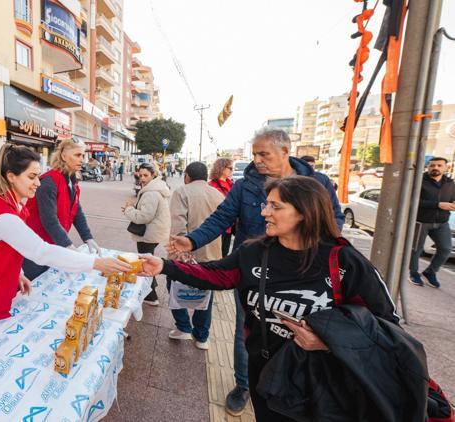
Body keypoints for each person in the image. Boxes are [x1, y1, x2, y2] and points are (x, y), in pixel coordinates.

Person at [145, 176, 398, 422]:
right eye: (266, 204)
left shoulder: (344, 262)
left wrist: (329, 342)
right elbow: (216, 274)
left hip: (326, 381)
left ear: (305, 212)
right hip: (266, 374)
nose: (264, 212)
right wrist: (164, 266)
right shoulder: (255, 252)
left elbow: (386, 325)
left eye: (275, 206)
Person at [167, 127, 344, 416]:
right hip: (253, 272)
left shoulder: (317, 182)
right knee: (246, 331)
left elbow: (334, 224)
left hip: (302, 274)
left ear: (285, 151)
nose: (257, 160)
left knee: (296, 334)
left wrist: (305, 245)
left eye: (264, 154)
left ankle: (295, 388)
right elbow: (221, 218)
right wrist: (191, 239)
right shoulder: (245, 185)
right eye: (254, 154)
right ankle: (243, 385)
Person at [0, 145, 131, 346]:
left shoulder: (13, 206)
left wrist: (17, 272)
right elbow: (41, 251)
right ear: (11, 176)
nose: (38, 182)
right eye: (32, 177)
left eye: (38, 176)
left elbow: (1, 247)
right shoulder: (2, 214)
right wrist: (96, 263)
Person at [23, 139, 100, 279]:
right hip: (35, 247)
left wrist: (87, 237)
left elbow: (76, 210)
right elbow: (50, 220)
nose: (82, 160)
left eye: (83, 155)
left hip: (53, 244)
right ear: (64, 156)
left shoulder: (71, 180)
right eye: (77, 155)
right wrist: (68, 246)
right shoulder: (48, 182)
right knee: (33, 286)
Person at [167, 162, 223, 349]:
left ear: (187, 176)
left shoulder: (182, 192)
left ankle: (183, 327)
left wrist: (180, 252)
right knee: (207, 294)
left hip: (186, 254)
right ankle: (201, 337)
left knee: (173, 286)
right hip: (212, 255)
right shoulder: (217, 194)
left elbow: (178, 226)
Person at [123, 162, 171, 305]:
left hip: (148, 234)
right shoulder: (156, 188)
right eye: (140, 175)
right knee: (147, 260)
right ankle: (150, 293)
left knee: (145, 263)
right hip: (154, 232)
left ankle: (151, 296)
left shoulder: (151, 193)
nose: (142, 178)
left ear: (153, 175)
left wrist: (128, 209)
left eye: (146, 175)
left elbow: (144, 217)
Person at [409, 157, 455, 288]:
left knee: (445, 249)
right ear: (428, 167)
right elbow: (413, 201)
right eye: (432, 165)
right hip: (421, 221)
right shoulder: (419, 181)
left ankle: (430, 272)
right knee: (416, 250)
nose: (435, 168)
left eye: (439, 165)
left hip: (442, 223)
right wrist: (438, 205)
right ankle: (413, 273)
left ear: (446, 168)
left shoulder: (450, 183)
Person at [208, 158, 235, 257]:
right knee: (216, 255)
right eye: (230, 168)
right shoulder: (212, 185)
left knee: (225, 253)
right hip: (218, 225)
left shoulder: (231, 185)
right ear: (221, 168)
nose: (232, 170)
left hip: (230, 226)